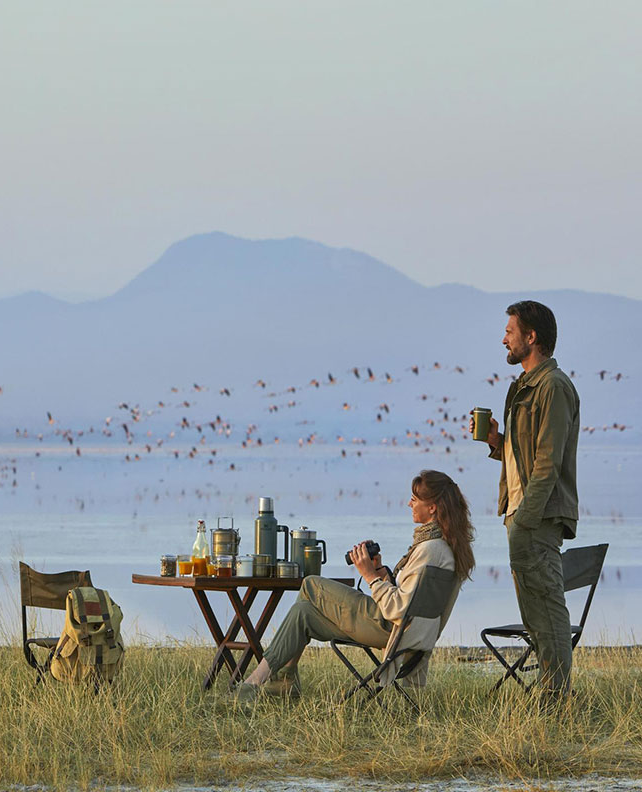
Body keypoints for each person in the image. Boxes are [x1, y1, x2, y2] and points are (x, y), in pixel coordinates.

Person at [234, 470, 474, 702]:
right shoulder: (443, 546)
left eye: (414, 499)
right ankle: (263, 682)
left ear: (432, 507)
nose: (409, 504)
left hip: (389, 628)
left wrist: (370, 576)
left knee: (310, 585)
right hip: (406, 632)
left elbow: (398, 610)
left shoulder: (429, 550)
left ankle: (270, 681)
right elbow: (412, 600)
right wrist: (382, 574)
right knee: (303, 613)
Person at [470, 300, 580, 696]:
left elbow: (548, 465)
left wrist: (525, 521)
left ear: (530, 338)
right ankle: (551, 696)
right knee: (534, 613)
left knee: (548, 612)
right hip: (519, 513)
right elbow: (526, 457)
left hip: (535, 517)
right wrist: (496, 442)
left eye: (510, 332)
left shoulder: (553, 386)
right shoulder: (522, 387)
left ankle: (555, 697)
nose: (504, 339)